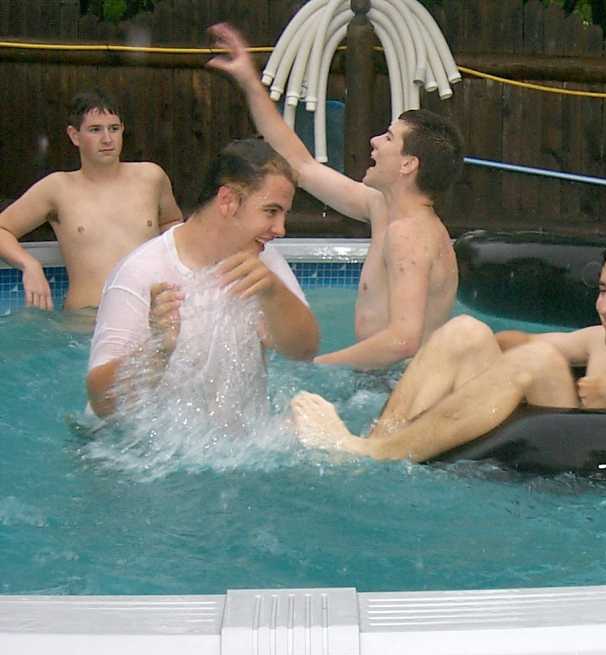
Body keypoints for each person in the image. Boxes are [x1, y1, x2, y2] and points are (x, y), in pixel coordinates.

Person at [291, 232, 606, 462]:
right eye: (603, 290)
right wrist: (479, 352)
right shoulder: (599, 342)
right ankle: (374, 440)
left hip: (579, 473)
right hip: (553, 428)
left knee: (537, 360)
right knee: (466, 331)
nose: (605, 306)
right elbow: (516, 346)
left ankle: (375, 454)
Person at [206, 23, 464, 370]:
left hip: (398, 384)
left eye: (389, 138)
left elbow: (403, 341)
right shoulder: (383, 208)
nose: (375, 141)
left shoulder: (410, 233)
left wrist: (317, 367)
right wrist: (251, 84)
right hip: (379, 378)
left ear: (408, 164)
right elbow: (301, 165)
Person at [85, 138, 319, 417]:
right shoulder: (142, 271)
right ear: (227, 200)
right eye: (271, 211)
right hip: (154, 442)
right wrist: (158, 350)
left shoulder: (265, 262)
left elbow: (304, 351)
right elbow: (102, 404)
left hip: (238, 440)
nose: (280, 229)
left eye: (284, 214)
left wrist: (274, 293)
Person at [0, 90, 182, 311]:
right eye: (95, 130)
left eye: (113, 129)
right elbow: (2, 229)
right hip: (85, 322)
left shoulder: (151, 177)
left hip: (147, 315)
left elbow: (172, 224)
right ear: (74, 135)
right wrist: (29, 265)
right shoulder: (57, 188)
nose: (107, 139)